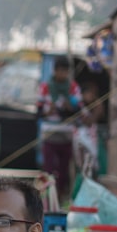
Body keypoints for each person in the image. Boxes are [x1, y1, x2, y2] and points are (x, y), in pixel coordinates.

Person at [37, 57, 81, 200]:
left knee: (63, 170)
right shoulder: (45, 87)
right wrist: (47, 112)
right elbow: (38, 111)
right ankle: (47, 197)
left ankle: (60, 196)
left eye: (65, 71)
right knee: (48, 168)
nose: (63, 74)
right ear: (55, 71)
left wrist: (69, 108)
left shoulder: (73, 87)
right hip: (49, 133)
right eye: (60, 71)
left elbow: (78, 110)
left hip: (66, 134)